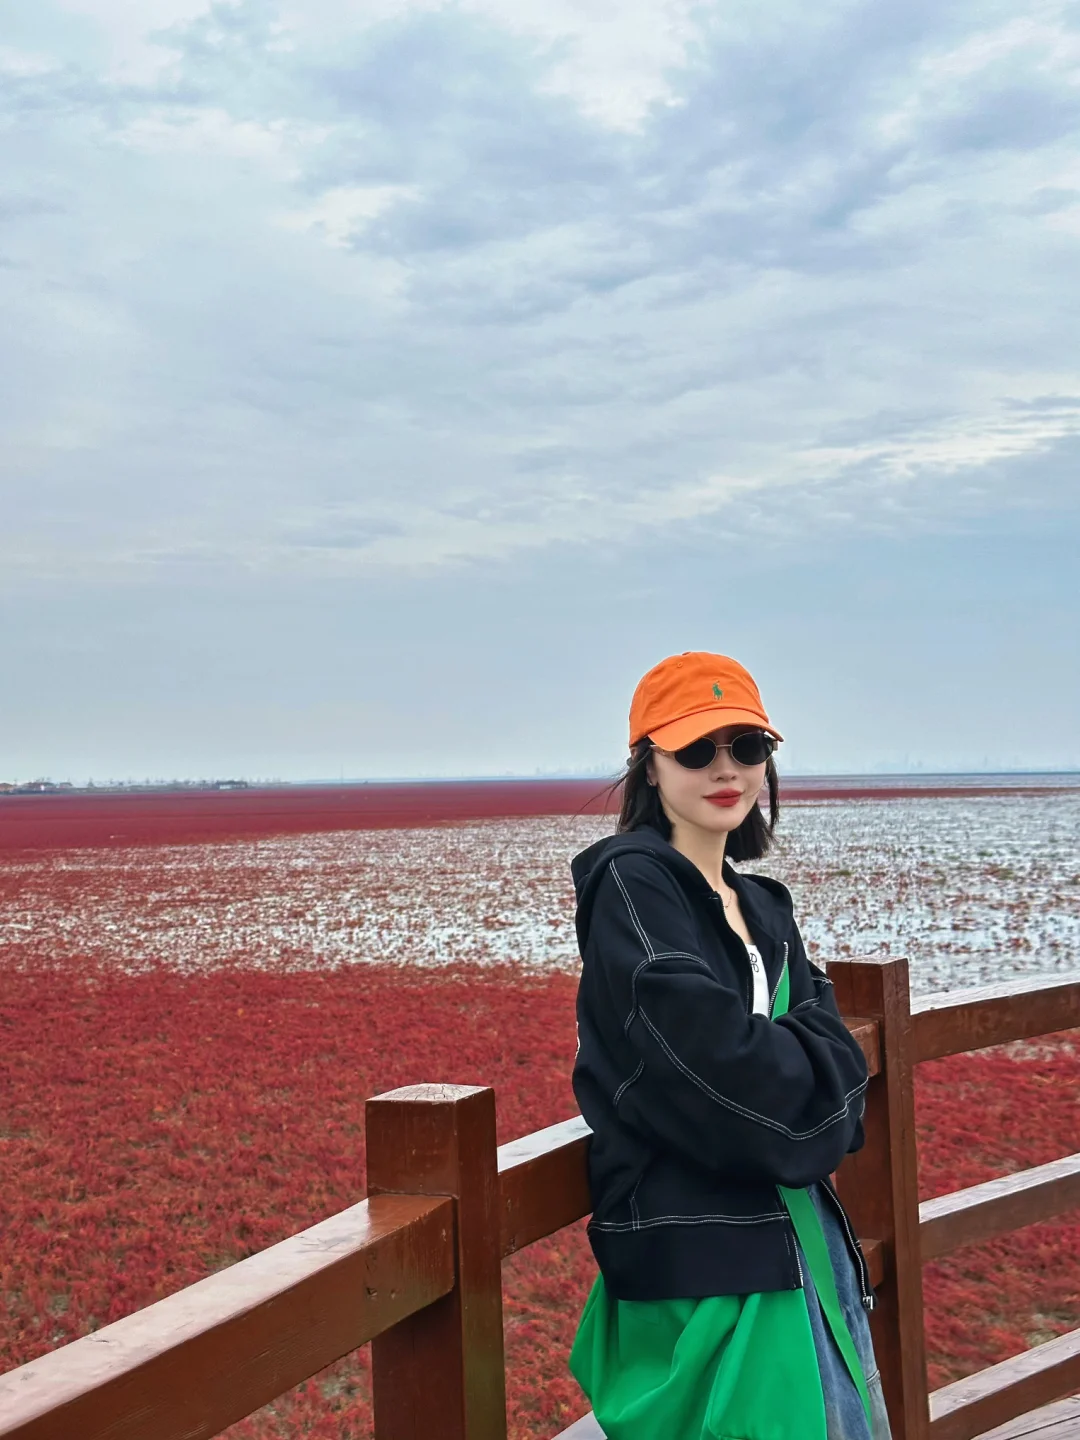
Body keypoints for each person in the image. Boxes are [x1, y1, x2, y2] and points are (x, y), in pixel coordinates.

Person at [568, 651, 892, 1440]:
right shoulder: (634, 886)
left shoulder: (763, 904)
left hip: (804, 1244)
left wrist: (800, 1088)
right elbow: (715, 1066)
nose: (727, 770)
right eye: (696, 750)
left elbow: (836, 1077)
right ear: (647, 765)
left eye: (747, 748)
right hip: (713, 1267)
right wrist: (805, 1091)